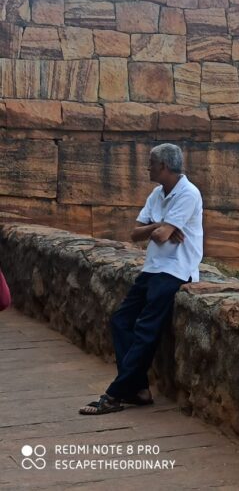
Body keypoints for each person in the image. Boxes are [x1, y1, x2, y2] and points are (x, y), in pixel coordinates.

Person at [80, 143, 203, 415]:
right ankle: (138, 388)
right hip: (153, 268)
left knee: (146, 330)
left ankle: (114, 394)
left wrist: (158, 228)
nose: (147, 167)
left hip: (175, 270)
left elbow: (156, 236)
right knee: (121, 320)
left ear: (164, 166)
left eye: (151, 163)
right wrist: (162, 225)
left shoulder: (188, 194)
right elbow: (135, 234)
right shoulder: (158, 193)